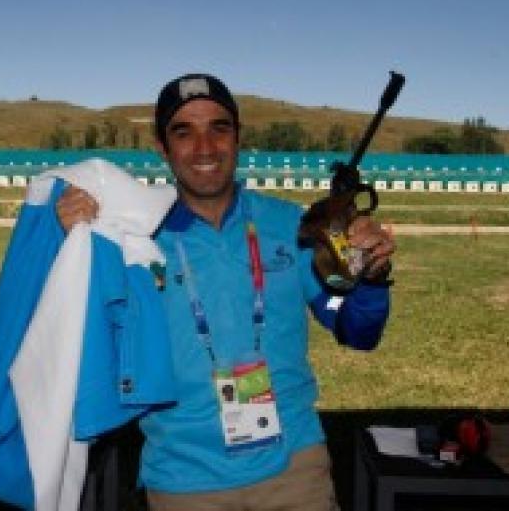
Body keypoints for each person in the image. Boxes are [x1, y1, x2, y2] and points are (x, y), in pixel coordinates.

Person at [56, 73, 395, 511]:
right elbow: (80, 334)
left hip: (294, 472)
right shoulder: (132, 239)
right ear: (162, 148)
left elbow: (357, 331)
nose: (204, 147)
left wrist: (369, 278)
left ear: (239, 139)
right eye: (184, 132)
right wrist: (73, 244)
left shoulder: (290, 226)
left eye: (219, 128)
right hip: (183, 481)